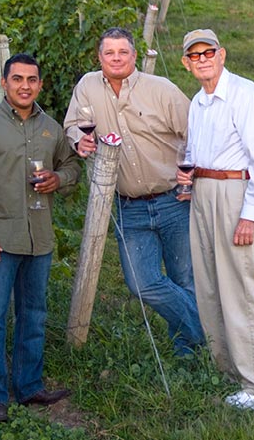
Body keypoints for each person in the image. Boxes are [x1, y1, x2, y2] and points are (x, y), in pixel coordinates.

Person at [0, 53, 81, 423]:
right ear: (5, 83)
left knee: (34, 314)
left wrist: (61, 179)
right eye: (18, 79)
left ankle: (28, 386)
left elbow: (71, 164)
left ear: (40, 84)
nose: (25, 86)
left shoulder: (51, 128)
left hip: (38, 237)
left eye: (32, 80)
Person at [63, 27, 204, 357]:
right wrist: (78, 140)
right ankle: (208, 331)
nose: (116, 58)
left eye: (122, 52)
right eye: (109, 53)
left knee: (184, 278)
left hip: (173, 200)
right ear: (99, 58)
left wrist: (188, 180)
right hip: (129, 207)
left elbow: (196, 134)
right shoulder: (87, 86)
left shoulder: (162, 91)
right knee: (143, 283)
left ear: (134, 56)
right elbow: (72, 124)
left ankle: (188, 353)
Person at [177, 29, 254, 410]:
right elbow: (193, 151)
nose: (202, 59)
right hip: (202, 193)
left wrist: (249, 215)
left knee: (240, 287)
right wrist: (186, 177)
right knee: (209, 285)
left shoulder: (245, 94)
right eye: (194, 55)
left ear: (222, 54)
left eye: (208, 52)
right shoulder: (197, 102)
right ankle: (227, 370)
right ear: (187, 63)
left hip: (235, 195)